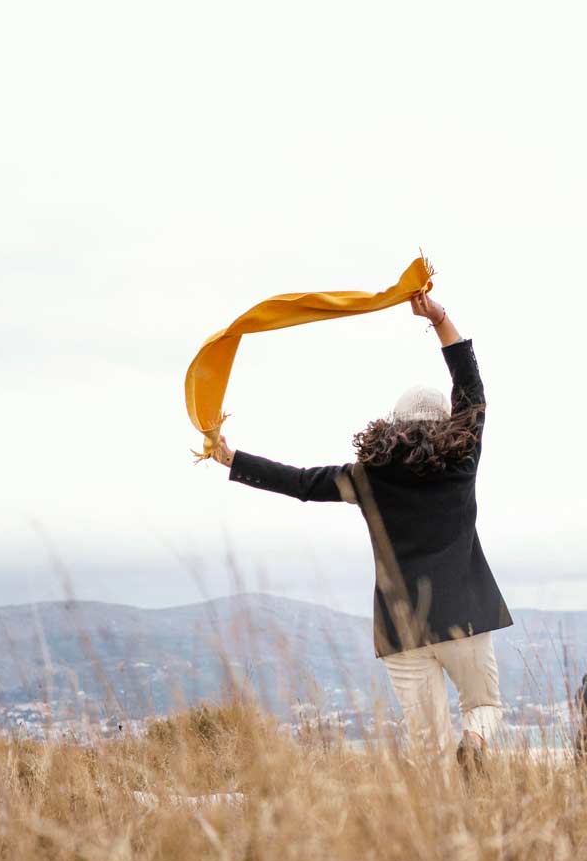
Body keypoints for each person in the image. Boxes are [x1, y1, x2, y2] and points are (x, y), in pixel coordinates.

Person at [210, 291, 513, 769]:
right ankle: (474, 744)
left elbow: (302, 483)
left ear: (393, 426)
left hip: (400, 628)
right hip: (465, 615)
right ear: (447, 423)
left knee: (427, 751)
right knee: (484, 707)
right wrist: (439, 319)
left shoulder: (367, 477)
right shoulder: (461, 460)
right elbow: (471, 388)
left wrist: (234, 459)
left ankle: (436, 833)